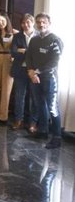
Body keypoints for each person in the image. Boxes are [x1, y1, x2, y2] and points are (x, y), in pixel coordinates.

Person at [26, 13, 64, 149]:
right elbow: (28, 56)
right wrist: (30, 71)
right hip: (34, 77)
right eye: (39, 22)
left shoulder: (55, 40)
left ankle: (57, 137)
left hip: (50, 79)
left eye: (44, 22)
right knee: (40, 104)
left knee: (53, 108)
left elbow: (54, 61)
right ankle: (43, 131)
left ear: (49, 23)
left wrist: (37, 72)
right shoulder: (34, 40)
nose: (41, 24)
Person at [10, 14, 36, 130]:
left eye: (28, 22)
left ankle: (32, 123)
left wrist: (24, 51)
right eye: (23, 23)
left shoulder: (39, 36)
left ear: (33, 22)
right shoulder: (17, 36)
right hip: (20, 70)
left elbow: (40, 55)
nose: (25, 25)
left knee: (33, 97)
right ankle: (18, 120)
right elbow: (13, 53)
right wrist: (29, 52)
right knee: (19, 96)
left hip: (35, 71)